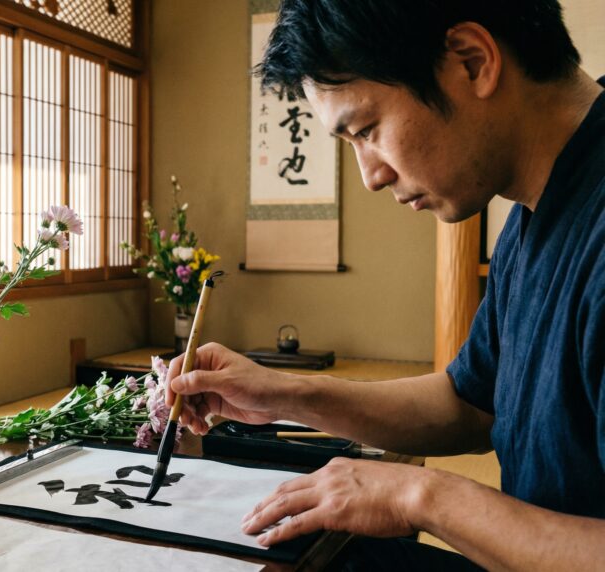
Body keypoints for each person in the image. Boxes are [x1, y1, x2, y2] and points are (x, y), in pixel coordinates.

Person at [166, 1, 604, 569]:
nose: (371, 176)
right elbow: (473, 404)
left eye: (367, 130)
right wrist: (277, 394)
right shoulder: (534, 211)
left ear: (472, 62)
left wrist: (418, 495)